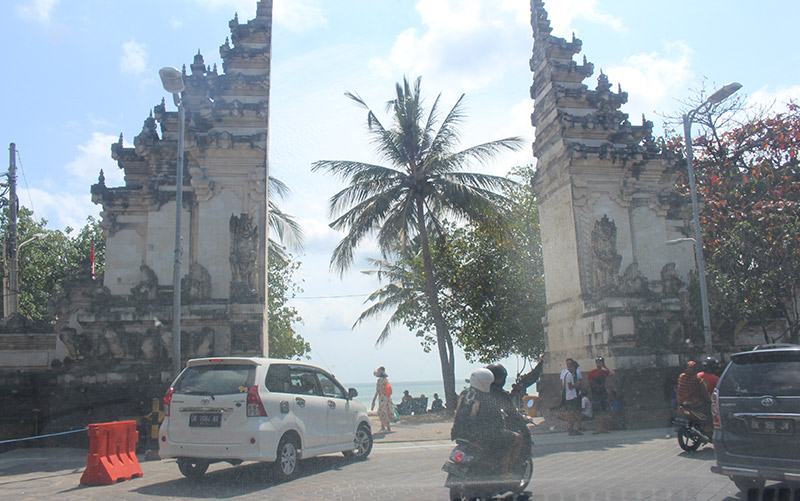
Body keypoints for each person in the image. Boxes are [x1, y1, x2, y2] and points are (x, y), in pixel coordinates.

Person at [451, 368, 522, 476]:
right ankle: (506, 472)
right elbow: (495, 420)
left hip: (459, 432)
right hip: (480, 435)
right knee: (516, 438)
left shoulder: (464, 393)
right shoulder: (486, 398)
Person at [587, 356, 614, 434]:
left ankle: (603, 428)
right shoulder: (592, 372)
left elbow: (612, 373)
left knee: (603, 410)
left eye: (600, 363)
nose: (599, 364)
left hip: (603, 392)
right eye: (597, 363)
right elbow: (589, 382)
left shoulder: (604, 372)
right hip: (596, 393)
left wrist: (605, 367)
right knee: (597, 411)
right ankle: (598, 428)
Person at [371, 366, 394, 432]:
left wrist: (374, 400)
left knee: (382, 412)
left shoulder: (379, 381)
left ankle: (386, 427)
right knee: (385, 411)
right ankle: (384, 427)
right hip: (388, 398)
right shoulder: (386, 380)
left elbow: (378, 391)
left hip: (382, 398)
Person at [562, 359, 582, 435]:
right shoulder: (569, 375)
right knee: (572, 414)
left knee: (571, 413)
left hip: (568, 396)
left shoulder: (565, 374)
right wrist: (577, 385)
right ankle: (571, 429)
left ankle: (571, 429)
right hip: (571, 396)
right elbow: (570, 386)